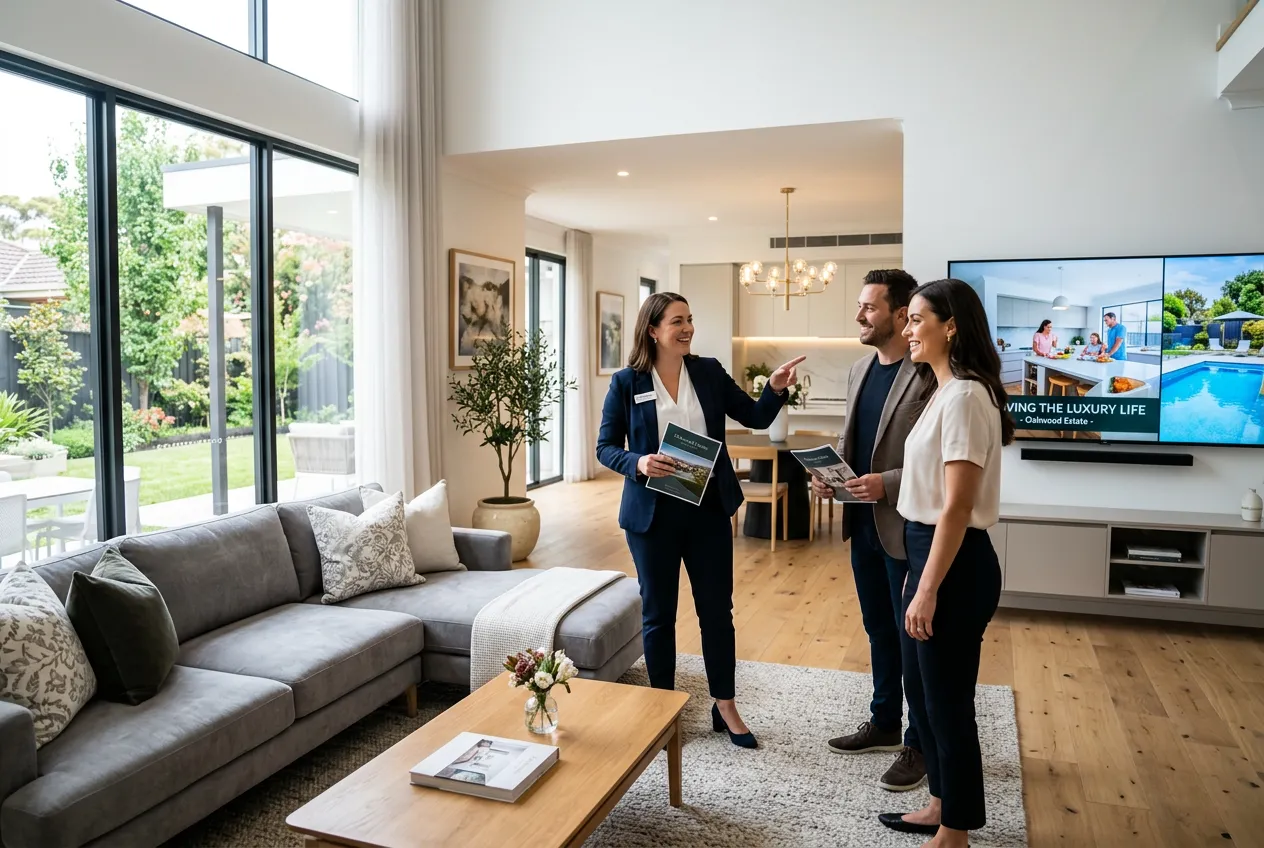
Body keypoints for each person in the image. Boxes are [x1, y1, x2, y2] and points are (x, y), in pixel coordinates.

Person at [596, 292, 805, 749]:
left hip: (707, 510)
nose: (687, 328)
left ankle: (724, 704)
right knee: (658, 615)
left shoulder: (708, 371)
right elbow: (605, 447)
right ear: (653, 330)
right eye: (677, 321)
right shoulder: (627, 382)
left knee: (716, 612)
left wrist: (774, 388)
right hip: (652, 517)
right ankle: (661, 710)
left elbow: (754, 416)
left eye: (689, 319)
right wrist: (638, 462)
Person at [878, 278, 1012, 848]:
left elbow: (956, 506)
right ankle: (940, 803)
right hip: (928, 551)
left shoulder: (965, 397)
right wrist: (917, 572)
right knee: (924, 694)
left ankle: (955, 832)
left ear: (950, 326)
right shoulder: (944, 390)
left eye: (916, 319)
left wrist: (928, 587)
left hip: (953, 563)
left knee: (948, 702)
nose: (907, 329)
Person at [811, 269, 934, 792]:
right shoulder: (859, 369)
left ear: (901, 314)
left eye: (869, 307)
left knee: (912, 642)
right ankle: (884, 722)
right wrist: (830, 476)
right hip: (860, 524)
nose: (859, 315)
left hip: (906, 526)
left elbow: (937, 460)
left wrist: (886, 483)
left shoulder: (929, 373)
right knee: (878, 630)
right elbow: (853, 442)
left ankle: (920, 744)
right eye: (860, 305)